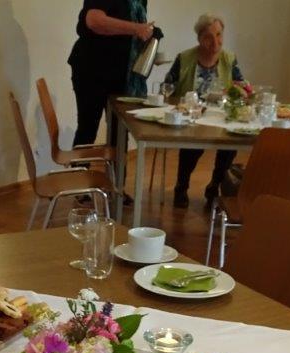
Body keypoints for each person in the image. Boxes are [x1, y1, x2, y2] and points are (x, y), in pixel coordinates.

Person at [164, 13, 245, 207]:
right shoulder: (185, 58)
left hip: (220, 116)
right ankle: (181, 186)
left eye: (219, 35)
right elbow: (167, 88)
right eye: (208, 37)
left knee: (230, 145)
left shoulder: (229, 59)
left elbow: (241, 86)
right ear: (199, 38)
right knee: (193, 145)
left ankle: (214, 186)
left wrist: (239, 92)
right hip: (191, 116)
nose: (215, 42)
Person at [68, 1, 155, 147]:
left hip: (121, 73)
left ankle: (117, 163)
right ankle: (82, 163)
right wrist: (137, 28)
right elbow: (94, 20)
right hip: (93, 69)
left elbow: (132, 36)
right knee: (88, 129)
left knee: (119, 131)